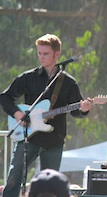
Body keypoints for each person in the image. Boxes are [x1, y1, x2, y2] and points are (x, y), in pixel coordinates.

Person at [0, 34, 92, 197]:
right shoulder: (28, 77)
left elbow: (76, 111)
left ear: (57, 54)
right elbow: (5, 97)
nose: (41, 57)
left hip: (54, 140)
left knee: (50, 186)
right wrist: (17, 113)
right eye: (39, 53)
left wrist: (84, 109)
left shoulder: (69, 82)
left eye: (46, 53)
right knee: (13, 179)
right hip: (28, 137)